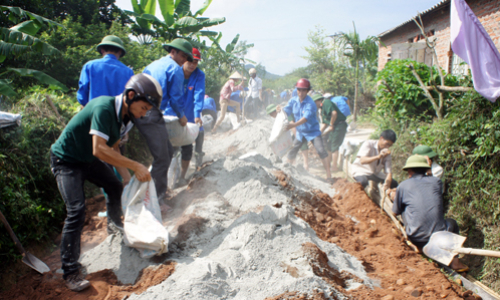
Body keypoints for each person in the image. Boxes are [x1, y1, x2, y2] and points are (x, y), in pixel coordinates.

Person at [50, 74, 162, 292]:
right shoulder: (104, 107)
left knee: (114, 185)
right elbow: (99, 148)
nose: (144, 113)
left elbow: (114, 147)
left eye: (148, 109)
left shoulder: (126, 119)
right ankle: (70, 271)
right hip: (66, 160)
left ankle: (114, 224)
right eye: (143, 107)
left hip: (87, 160)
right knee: (76, 210)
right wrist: (136, 166)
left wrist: (127, 178)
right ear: (131, 96)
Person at [389, 155, 468, 272]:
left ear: (409, 171)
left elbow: (395, 212)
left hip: (416, 237)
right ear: (427, 169)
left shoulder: (403, 186)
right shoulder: (436, 182)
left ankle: (418, 246)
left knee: (406, 209)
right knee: (452, 223)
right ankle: (456, 263)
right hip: (440, 236)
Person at [140, 38, 193, 199]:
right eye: (183, 56)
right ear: (173, 51)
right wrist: (182, 117)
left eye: (186, 57)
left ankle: (153, 192)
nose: (184, 60)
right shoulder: (175, 70)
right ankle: (155, 198)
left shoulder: (152, 65)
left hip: (141, 113)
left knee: (167, 151)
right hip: (154, 113)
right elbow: (176, 98)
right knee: (163, 157)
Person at [277, 78, 333, 183]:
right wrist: (280, 110)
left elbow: (305, 118)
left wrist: (293, 125)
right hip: (301, 132)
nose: (301, 92)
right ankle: (286, 172)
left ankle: (329, 175)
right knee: (292, 150)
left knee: (321, 150)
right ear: (296, 90)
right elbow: (286, 110)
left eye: (303, 90)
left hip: (312, 131)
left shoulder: (310, 103)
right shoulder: (293, 100)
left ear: (307, 91)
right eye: (299, 90)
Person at [164, 48, 205, 186]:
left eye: (196, 62)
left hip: (189, 116)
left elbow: (199, 94)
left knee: (188, 147)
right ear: (184, 60)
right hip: (171, 114)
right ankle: (166, 180)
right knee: (170, 148)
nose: (193, 65)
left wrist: (197, 113)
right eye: (190, 61)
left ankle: (182, 177)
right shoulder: (175, 71)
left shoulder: (199, 75)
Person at [77, 35, 134, 107]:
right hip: (118, 115)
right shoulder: (128, 72)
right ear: (120, 52)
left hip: (94, 113)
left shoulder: (90, 66)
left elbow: (82, 95)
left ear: (102, 50)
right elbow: (130, 98)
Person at [266, 104, 309, 170]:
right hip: (301, 127)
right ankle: (294, 162)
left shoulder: (284, 113)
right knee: (295, 146)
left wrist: (297, 137)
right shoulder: (280, 116)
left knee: (301, 145)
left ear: (274, 112)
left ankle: (306, 165)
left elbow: (293, 126)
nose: (272, 116)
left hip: (301, 128)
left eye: (271, 115)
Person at [318, 94, 348, 172]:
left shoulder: (326, 102)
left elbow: (334, 113)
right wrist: (318, 134)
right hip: (335, 126)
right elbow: (325, 123)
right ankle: (328, 165)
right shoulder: (322, 109)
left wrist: (331, 124)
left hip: (339, 125)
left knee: (334, 146)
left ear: (318, 101)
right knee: (329, 145)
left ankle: (334, 167)